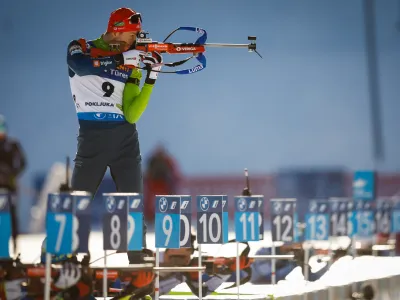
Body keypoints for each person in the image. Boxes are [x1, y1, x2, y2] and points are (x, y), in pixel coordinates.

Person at [66, 7, 162, 264]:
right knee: (79, 200)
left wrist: (150, 76)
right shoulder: (81, 46)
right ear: (118, 29)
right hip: (92, 136)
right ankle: (68, 255)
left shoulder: (132, 61)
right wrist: (121, 61)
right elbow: (79, 65)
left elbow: (132, 114)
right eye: (133, 34)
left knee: (133, 200)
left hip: (125, 137)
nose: (136, 40)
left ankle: (137, 256)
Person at [0, 114, 27, 252]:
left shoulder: (12, 144)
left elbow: (22, 162)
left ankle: (15, 243)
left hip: (10, 187)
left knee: (12, 215)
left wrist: (12, 174)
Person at [143, 144, 181, 220]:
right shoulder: (152, 160)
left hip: (165, 185)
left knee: (171, 199)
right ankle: (149, 216)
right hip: (153, 184)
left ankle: (171, 215)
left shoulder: (168, 160)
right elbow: (147, 172)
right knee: (149, 201)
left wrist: (172, 180)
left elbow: (174, 172)